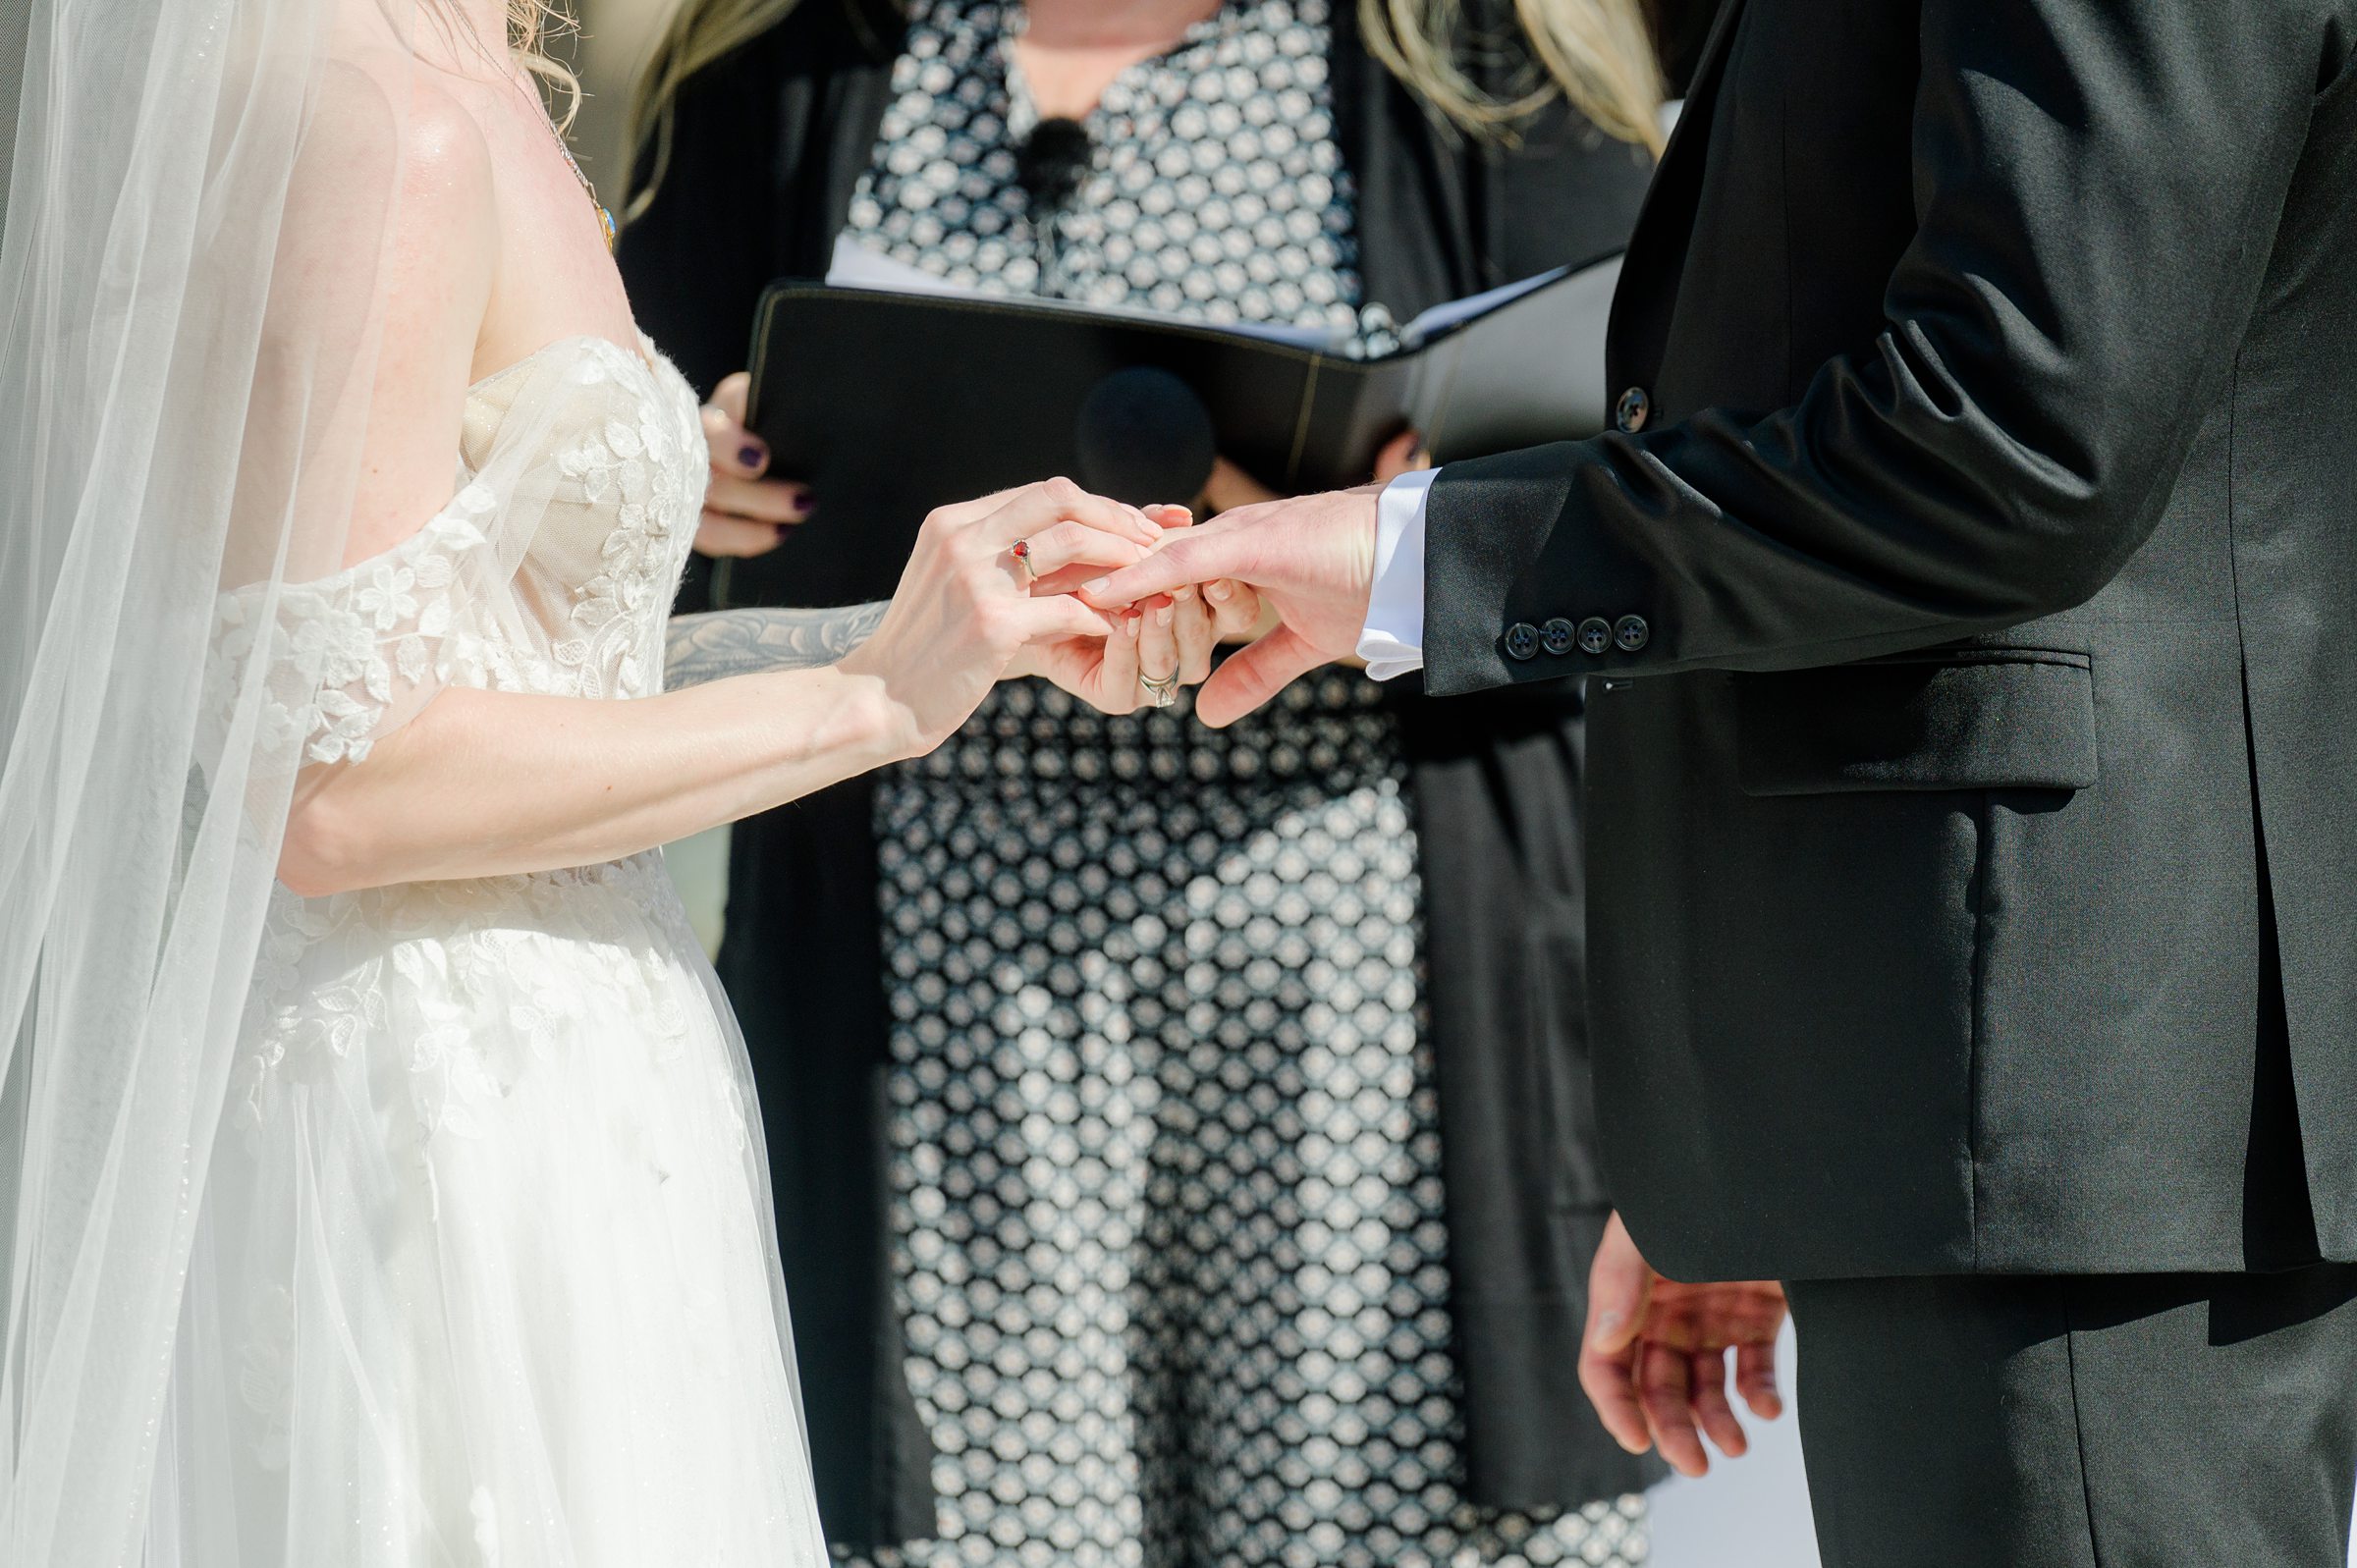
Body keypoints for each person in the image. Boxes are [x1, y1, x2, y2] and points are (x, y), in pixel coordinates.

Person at [1094, 1, 2357, 1563]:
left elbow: (2020, 434)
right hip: (1979, 1104)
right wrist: (1775, 1136)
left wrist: (1428, 557)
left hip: (2078, 1096)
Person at [0, 0, 1186, 1560]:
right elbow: (342, 790)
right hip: (436, 1130)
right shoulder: (377, 126)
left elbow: (533, 693)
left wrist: (956, 629)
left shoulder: (465, 76)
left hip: (589, 1086)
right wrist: (871, 696)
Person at [618, 2, 1710, 1562]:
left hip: (1366, 984)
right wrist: (692, 466)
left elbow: (1644, 485)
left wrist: (1414, 540)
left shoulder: (1479, 56)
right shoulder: (793, 62)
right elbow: (594, 530)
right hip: (934, 996)